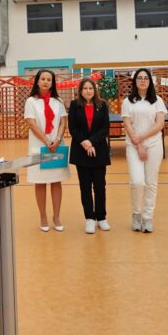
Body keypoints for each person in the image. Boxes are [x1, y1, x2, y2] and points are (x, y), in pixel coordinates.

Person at [24, 69, 70, 232]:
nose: (45, 82)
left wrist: (56, 140)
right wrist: (46, 141)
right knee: (40, 182)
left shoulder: (58, 101)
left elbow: (63, 122)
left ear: (52, 83)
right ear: (37, 81)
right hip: (39, 146)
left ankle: (56, 217)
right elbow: (31, 123)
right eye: (43, 79)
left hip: (56, 146)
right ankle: (43, 216)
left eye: (49, 79)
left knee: (56, 181)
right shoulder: (31, 101)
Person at [122, 68, 167, 233]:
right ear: (135, 81)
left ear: (150, 81)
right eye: (139, 78)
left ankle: (147, 217)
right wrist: (138, 143)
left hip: (154, 145)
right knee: (137, 182)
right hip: (133, 146)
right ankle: (136, 214)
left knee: (151, 182)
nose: (142, 80)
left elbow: (159, 124)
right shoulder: (128, 101)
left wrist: (141, 138)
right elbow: (127, 124)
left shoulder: (158, 101)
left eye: (145, 78)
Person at [68, 77, 111, 234]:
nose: (88, 91)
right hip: (81, 152)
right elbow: (72, 128)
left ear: (95, 90)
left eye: (90, 88)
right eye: (85, 88)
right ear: (80, 91)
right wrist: (85, 143)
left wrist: (91, 142)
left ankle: (101, 217)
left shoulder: (102, 105)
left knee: (100, 187)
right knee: (85, 187)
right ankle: (90, 219)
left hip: (99, 151)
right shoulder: (74, 105)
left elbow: (105, 128)